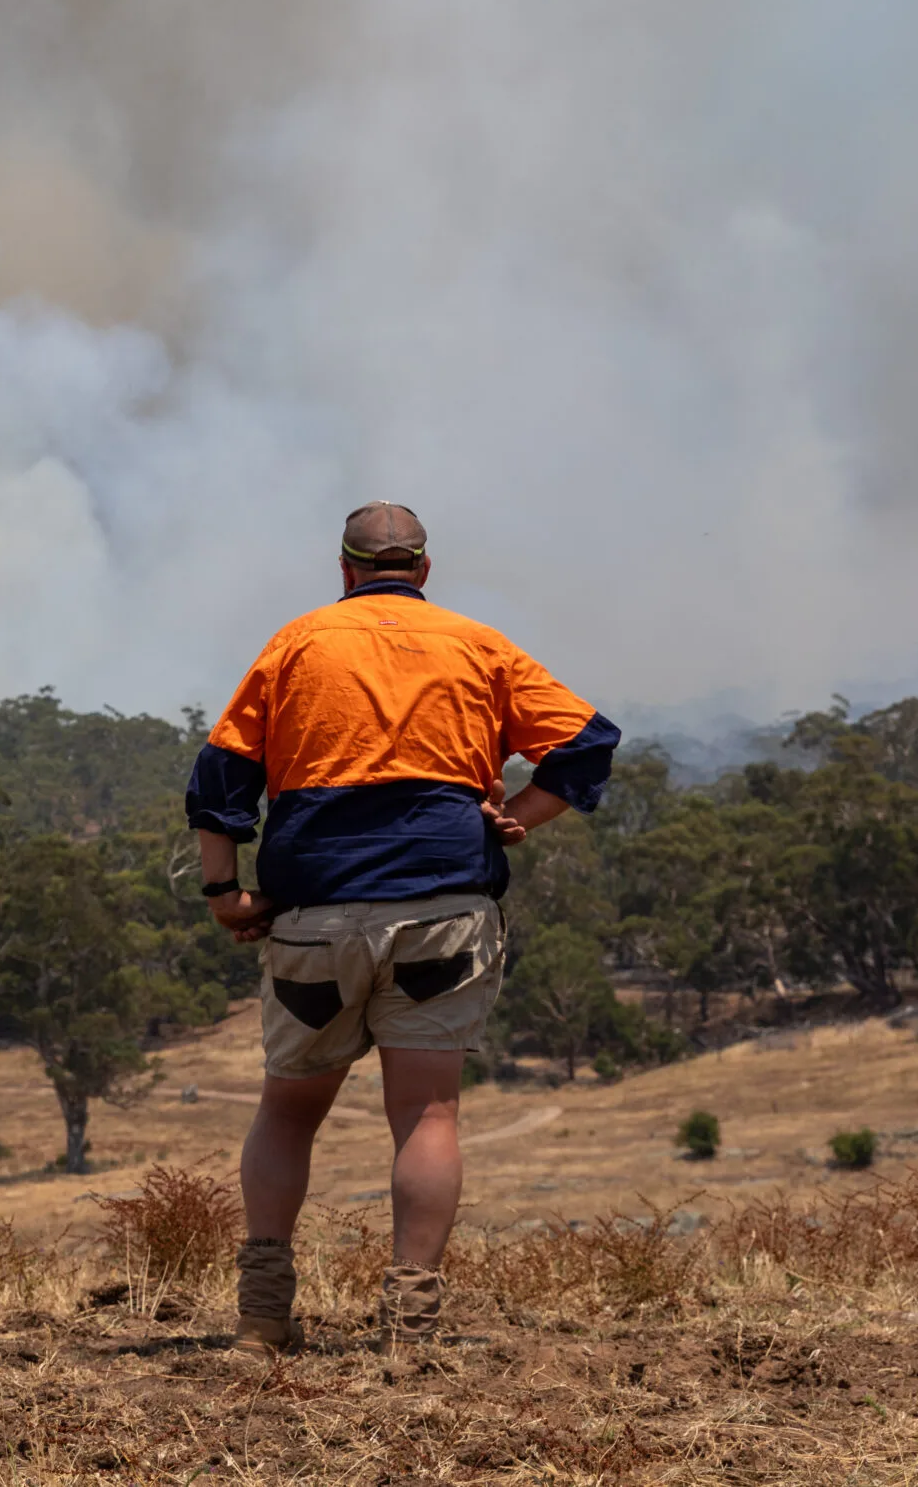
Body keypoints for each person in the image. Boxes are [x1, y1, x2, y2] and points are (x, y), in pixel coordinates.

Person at [184, 501, 619, 1352]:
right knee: (427, 1117)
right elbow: (587, 741)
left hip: (316, 920)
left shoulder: (298, 643)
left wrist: (223, 892)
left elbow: (221, 774)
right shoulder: (477, 644)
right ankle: (410, 1328)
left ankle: (262, 1320)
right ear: (423, 570)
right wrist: (520, 814)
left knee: (286, 1114)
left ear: (344, 570)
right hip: (443, 915)